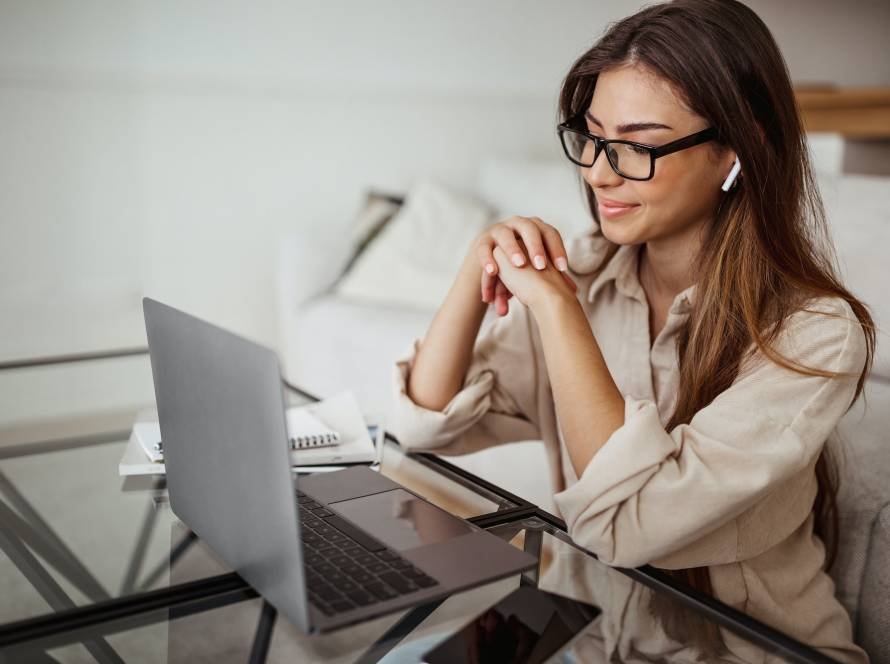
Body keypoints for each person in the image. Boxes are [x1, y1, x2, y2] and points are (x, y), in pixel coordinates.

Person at [389, 0, 874, 661]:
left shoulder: (814, 335)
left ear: (739, 149)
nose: (597, 171)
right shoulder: (587, 277)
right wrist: (479, 264)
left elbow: (624, 525)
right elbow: (422, 428)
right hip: (591, 639)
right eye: (591, 137)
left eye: (638, 146)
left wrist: (558, 310)